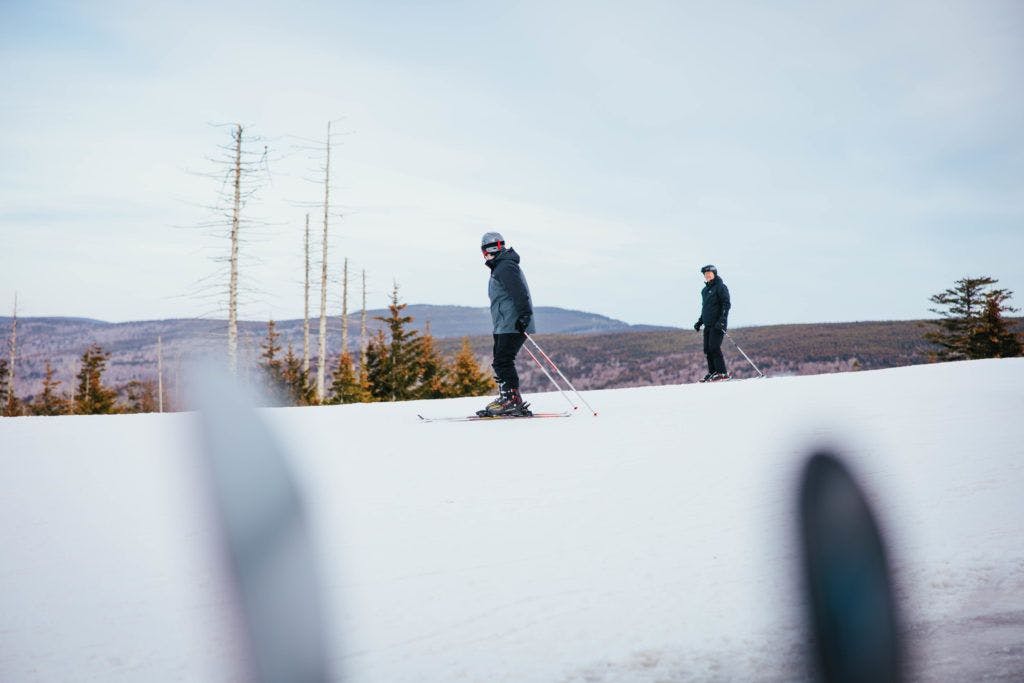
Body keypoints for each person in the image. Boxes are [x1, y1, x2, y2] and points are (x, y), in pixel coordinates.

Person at [477, 231, 536, 416]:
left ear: (498, 247)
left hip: (513, 323)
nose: (487, 254)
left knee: (503, 361)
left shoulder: (505, 266)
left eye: (489, 250)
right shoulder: (501, 266)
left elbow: (519, 293)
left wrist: (524, 316)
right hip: (504, 324)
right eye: (485, 251)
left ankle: (511, 400)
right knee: (500, 361)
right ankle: (508, 397)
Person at [693, 264, 731, 382]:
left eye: (710, 274)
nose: (708, 276)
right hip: (708, 324)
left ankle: (722, 373)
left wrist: (722, 320)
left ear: (714, 274)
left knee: (714, 347)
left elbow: (726, 304)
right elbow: (705, 308)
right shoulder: (705, 291)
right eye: (706, 274)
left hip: (718, 323)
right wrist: (700, 322)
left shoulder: (721, 287)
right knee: (707, 349)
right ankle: (713, 372)